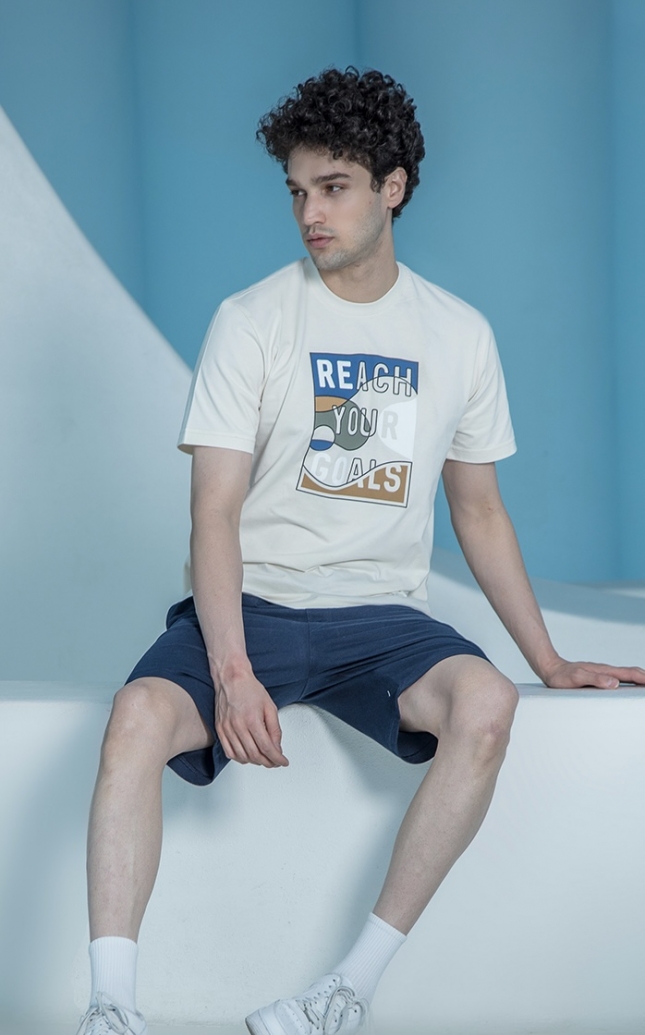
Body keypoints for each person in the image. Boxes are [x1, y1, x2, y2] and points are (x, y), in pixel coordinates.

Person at [75, 67, 645, 1035]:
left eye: (333, 187)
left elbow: (479, 512)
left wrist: (549, 661)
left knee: (489, 703)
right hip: (254, 608)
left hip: (382, 621)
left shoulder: (459, 335)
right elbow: (213, 513)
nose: (310, 213)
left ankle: (343, 993)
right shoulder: (251, 320)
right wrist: (232, 671)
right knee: (134, 717)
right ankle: (110, 1008)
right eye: (297, 190)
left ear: (393, 187)